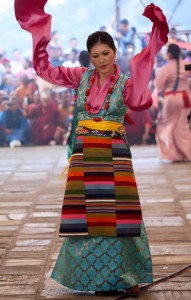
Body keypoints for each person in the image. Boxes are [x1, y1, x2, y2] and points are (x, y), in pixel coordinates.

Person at [14, 0, 169, 296]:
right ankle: (93, 279)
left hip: (115, 154)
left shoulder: (125, 83)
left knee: (120, 217)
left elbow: (139, 101)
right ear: (90, 57)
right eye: (96, 55)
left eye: (106, 53)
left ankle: (126, 276)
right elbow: (45, 70)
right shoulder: (80, 77)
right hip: (85, 155)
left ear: (115, 52)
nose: (101, 60)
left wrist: (145, 58)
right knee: (87, 217)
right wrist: (38, 31)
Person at [153, 44, 191, 162]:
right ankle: (187, 153)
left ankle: (175, 155)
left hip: (172, 98)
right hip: (186, 98)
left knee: (165, 126)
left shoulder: (166, 68)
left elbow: (158, 85)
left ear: (169, 54)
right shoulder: (186, 65)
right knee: (183, 127)